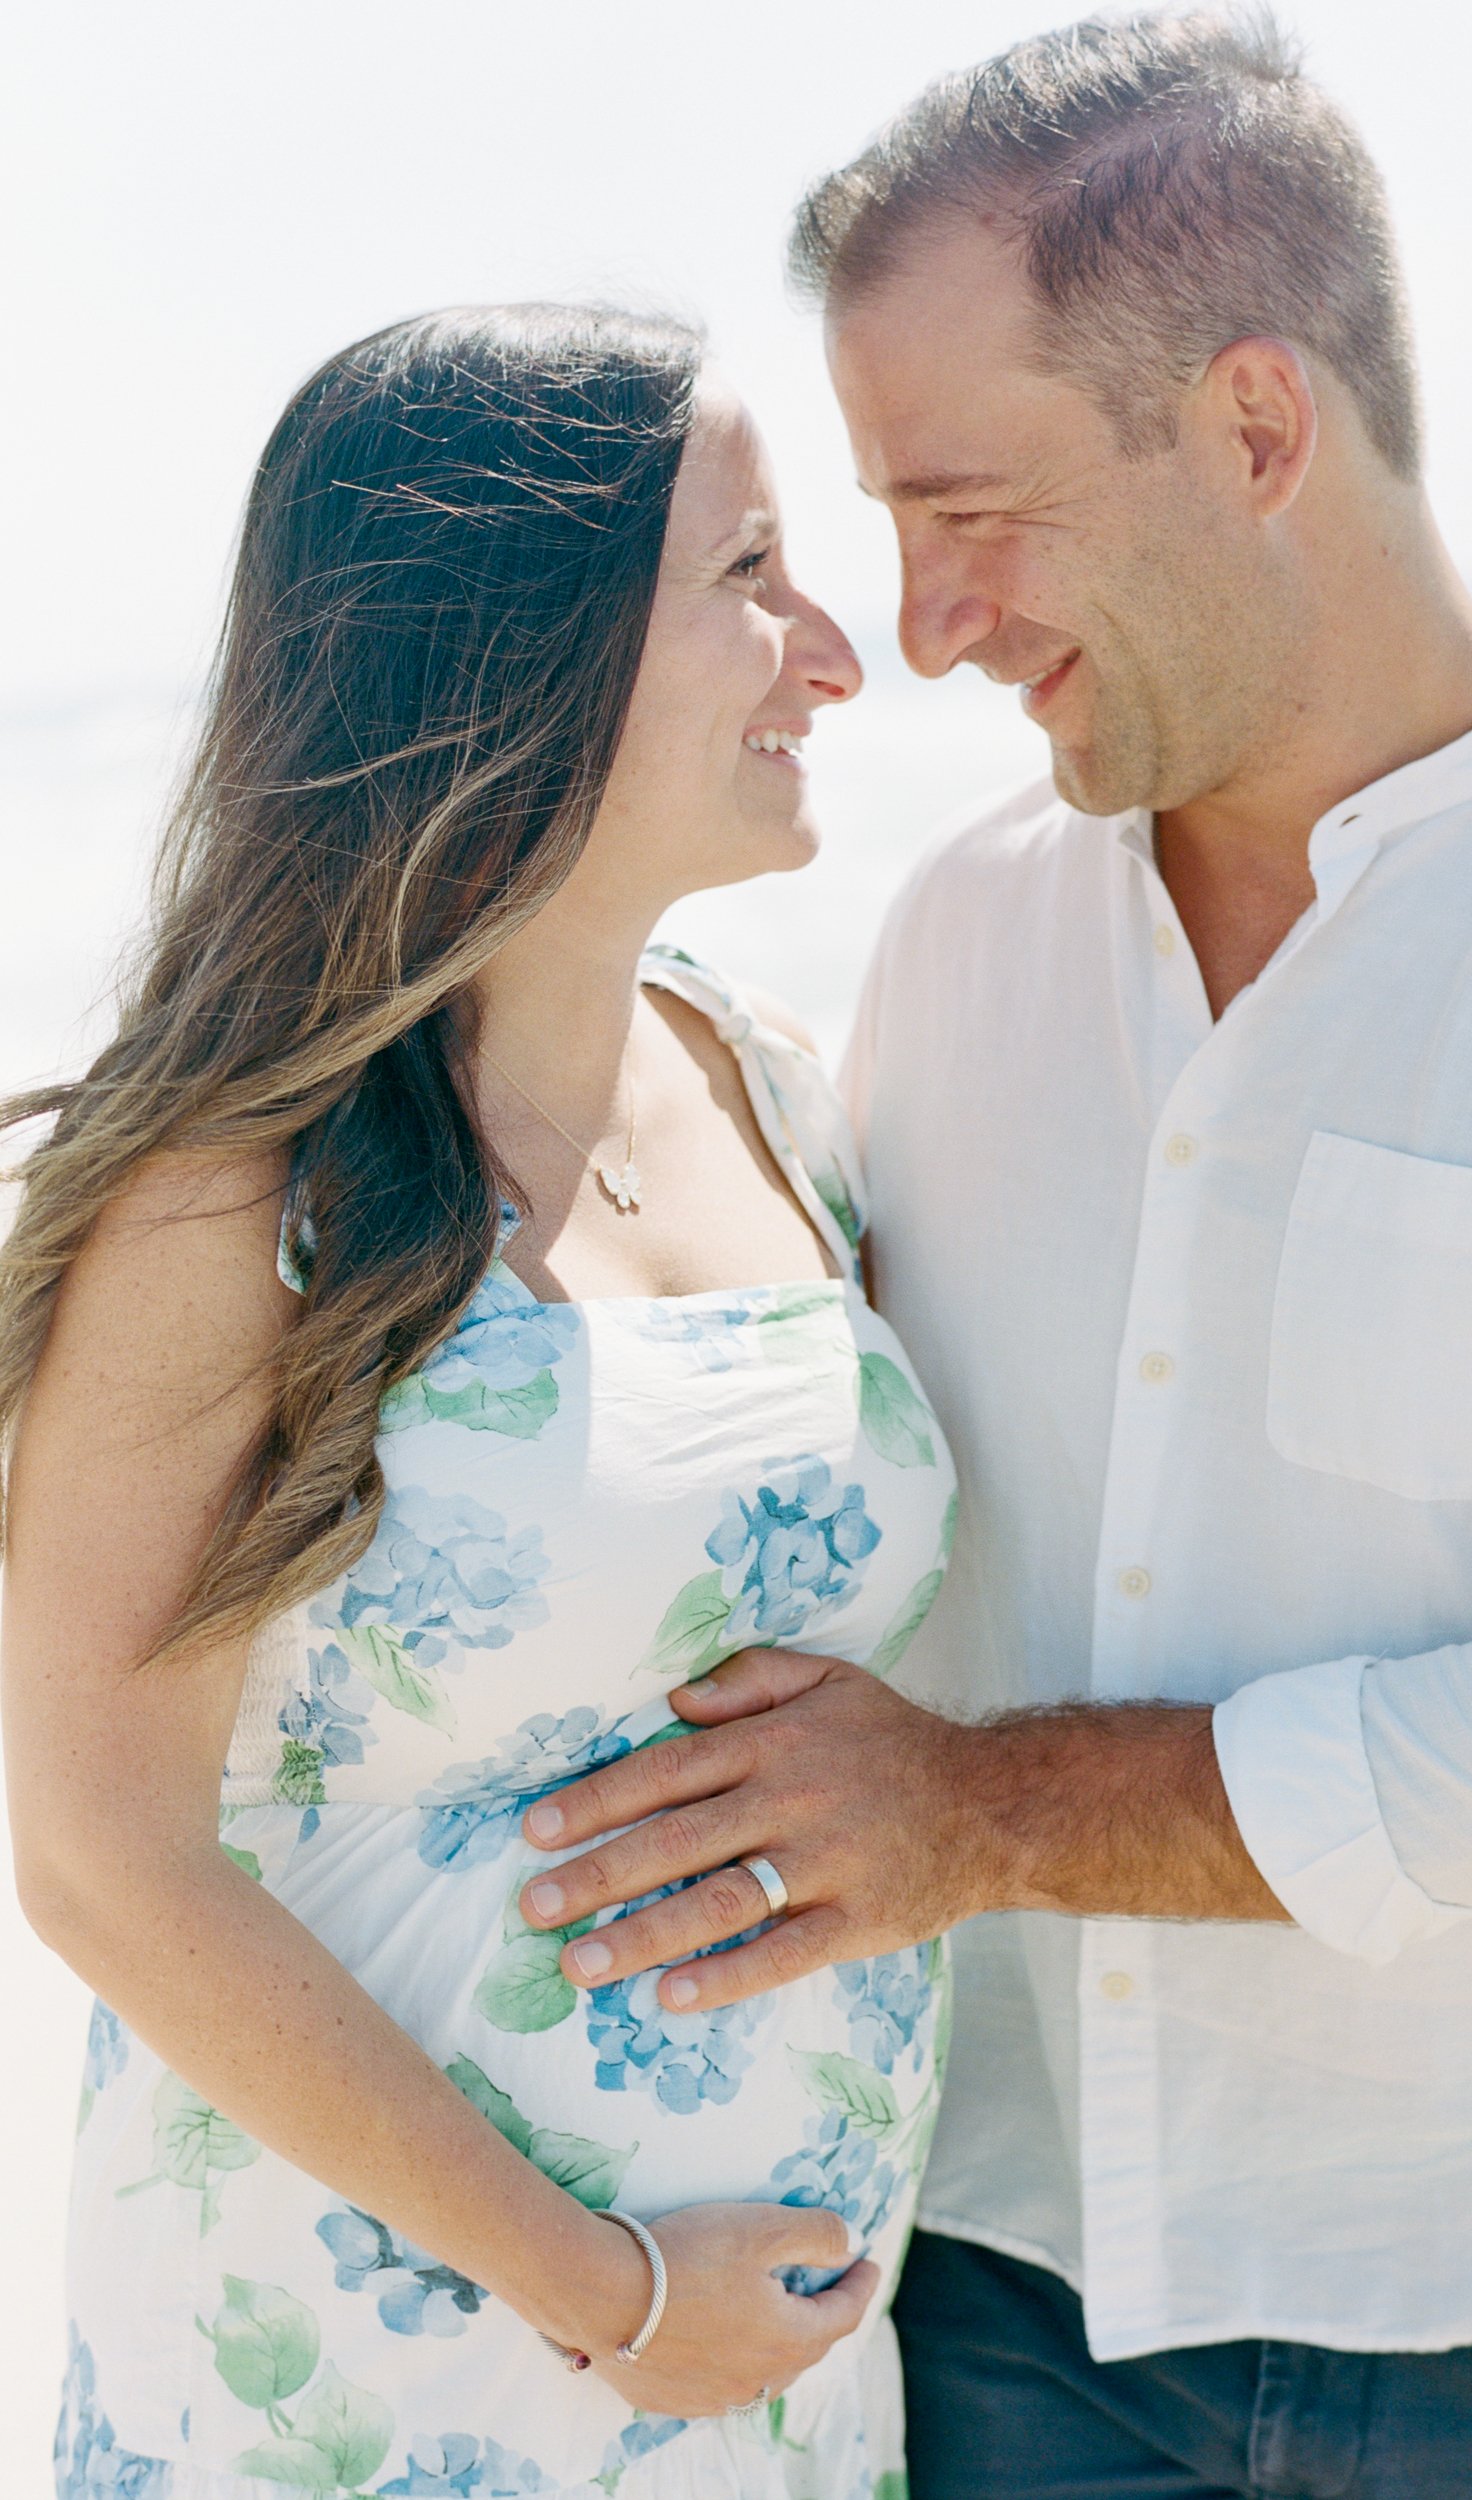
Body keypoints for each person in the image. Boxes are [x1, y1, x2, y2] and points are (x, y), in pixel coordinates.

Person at [507, 16, 1472, 2498]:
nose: (916, 627)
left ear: (1249, 427)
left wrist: (977, 1814)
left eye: (968, 508)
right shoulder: (956, 948)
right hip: (1009, 2300)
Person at [1, 302, 959, 2500]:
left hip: (773, 2371)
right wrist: (603, 2287)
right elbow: (101, 1859)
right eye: (745, 575)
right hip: (384, 2370)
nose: (833, 651)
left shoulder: (766, 1081)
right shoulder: (219, 1192)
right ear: (509, 656)